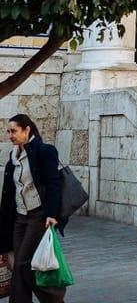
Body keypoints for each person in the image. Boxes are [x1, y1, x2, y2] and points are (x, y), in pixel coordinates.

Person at [0, 114, 66, 303]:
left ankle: (54, 299)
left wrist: (52, 214)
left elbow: (53, 184)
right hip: (20, 217)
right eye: (8, 131)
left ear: (27, 130)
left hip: (39, 216)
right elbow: (9, 192)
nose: (10, 135)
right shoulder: (13, 156)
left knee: (23, 263)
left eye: (14, 131)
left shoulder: (44, 151)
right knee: (17, 267)